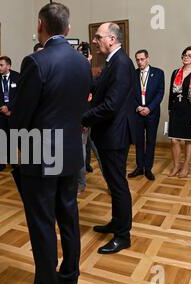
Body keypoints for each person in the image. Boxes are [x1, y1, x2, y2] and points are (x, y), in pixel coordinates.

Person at [10, 2, 91, 284]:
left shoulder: (36, 61)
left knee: (42, 222)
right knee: (69, 218)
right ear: (68, 29)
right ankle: (70, 280)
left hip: (40, 156)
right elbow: (81, 105)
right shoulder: (82, 62)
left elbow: (20, 116)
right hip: (70, 153)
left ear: (40, 25)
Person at [81, 22, 136, 254]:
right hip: (108, 133)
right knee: (114, 182)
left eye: (98, 37)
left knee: (118, 185)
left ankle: (123, 236)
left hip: (115, 135)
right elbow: (100, 91)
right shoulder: (112, 61)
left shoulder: (121, 63)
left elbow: (111, 105)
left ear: (111, 39)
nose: (94, 41)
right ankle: (116, 222)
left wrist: (83, 119)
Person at [168, 46, 191, 178]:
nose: (186, 57)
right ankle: (176, 165)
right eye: (184, 54)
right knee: (174, 140)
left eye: (189, 55)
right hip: (176, 110)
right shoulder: (175, 72)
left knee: (189, 140)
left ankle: (186, 166)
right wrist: (170, 110)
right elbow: (171, 94)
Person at [128, 49, 165, 181]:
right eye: (137, 59)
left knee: (150, 141)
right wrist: (138, 107)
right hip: (137, 113)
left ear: (147, 59)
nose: (139, 62)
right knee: (138, 141)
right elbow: (130, 94)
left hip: (152, 113)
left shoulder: (158, 73)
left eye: (142, 59)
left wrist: (149, 108)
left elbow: (160, 93)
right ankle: (139, 167)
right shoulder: (133, 74)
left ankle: (148, 168)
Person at [0, 56, 20, 172]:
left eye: (1, 65)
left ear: (9, 66)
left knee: (12, 137)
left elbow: (19, 95)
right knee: (0, 137)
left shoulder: (17, 76)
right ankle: (2, 162)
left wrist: (10, 108)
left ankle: (13, 161)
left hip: (13, 113)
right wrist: (2, 107)